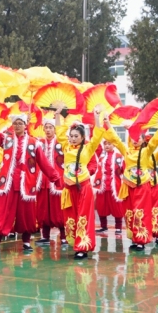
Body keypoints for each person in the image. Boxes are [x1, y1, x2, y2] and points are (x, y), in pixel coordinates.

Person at [0, 102, 61, 254]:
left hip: (26, 184)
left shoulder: (34, 143)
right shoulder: (6, 140)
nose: (17, 126)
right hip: (8, 183)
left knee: (27, 215)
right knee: (2, 212)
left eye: (20, 123)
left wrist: (55, 178)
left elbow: (44, 163)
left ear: (26, 125)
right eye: (15, 123)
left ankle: (26, 241)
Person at [102, 118, 158, 250]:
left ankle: (141, 240)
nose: (135, 139)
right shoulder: (126, 151)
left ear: (143, 140)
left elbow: (154, 142)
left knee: (140, 212)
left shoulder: (146, 151)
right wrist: (108, 123)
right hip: (127, 186)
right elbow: (116, 139)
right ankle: (134, 237)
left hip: (142, 186)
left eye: (139, 137)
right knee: (130, 212)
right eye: (133, 137)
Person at [54, 108, 105, 260]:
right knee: (71, 216)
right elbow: (59, 132)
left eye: (76, 136)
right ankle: (75, 242)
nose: (73, 138)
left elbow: (98, 135)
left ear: (83, 138)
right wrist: (57, 115)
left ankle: (82, 247)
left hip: (83, 187)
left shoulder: (88, 148)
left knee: (84, 216)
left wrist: (96, 117)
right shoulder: (66, 146)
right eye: (71, 136)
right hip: (69, 188)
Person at [35, 118, 67, 246]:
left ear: (55, 129)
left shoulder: (62, 142)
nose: (48, 130)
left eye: (50, 127)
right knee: (43, 210)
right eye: (46, 127)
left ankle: (64, 236)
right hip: (42, 181)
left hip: (58, 180)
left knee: (59, 210)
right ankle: (45, 236)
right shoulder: (39, 143)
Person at [94, 140, 125, 234]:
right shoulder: (101, 158)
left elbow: (124, 170)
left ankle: (118, 227)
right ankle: (103, 226)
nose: (107, 146)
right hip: (102, 186)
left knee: (117, 207)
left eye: (109, 144)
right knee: (101, 205)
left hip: (115, 186)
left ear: (114, 145)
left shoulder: (119, 157)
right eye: (105, 144)